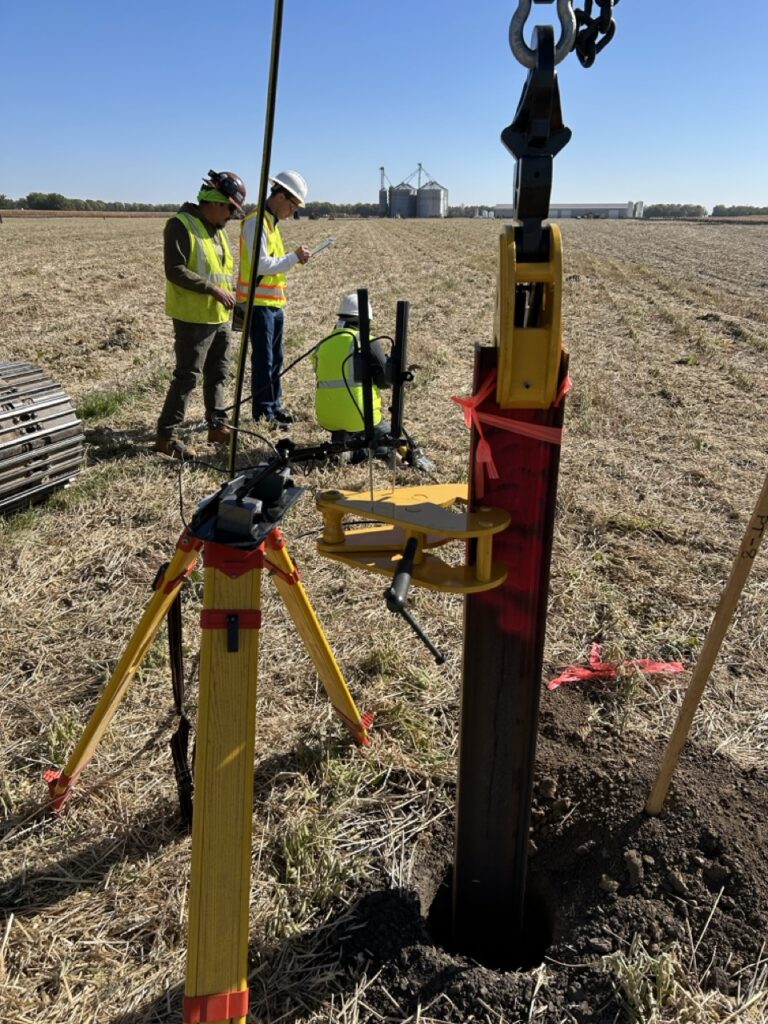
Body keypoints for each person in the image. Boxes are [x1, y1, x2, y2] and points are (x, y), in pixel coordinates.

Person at [155, 169, 246, 460]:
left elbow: (222, 274)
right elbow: (175, 269)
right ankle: (165, 437)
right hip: (193, 318)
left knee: (218, 374)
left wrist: (235, 301)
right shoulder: (181, 225)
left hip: (219, 317)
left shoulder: (217, 231)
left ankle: (217, 426)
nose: (232, 216)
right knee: (187, 377)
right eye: (231, 208)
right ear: (217, 202)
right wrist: (212, 290)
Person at [236, 170, 310, 427]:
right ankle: (263, 412)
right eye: (292, 204)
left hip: (274, 304)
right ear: (280, 196)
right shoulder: (256, 222)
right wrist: (293, 257)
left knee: (276, 359)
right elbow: (261, 264)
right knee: (264, 360)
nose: (293, 211)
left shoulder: (271, 223)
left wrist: (292, 259)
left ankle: (274, 405)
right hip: (258, 305)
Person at [311, 292, 393, 455]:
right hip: (362, 416)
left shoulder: (323, 344)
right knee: (390, 441)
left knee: (350, 427)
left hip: (327, 417)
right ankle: (355, 453)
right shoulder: (367, 341)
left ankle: (342, 442)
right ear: (366, 321)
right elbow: (385, 381)